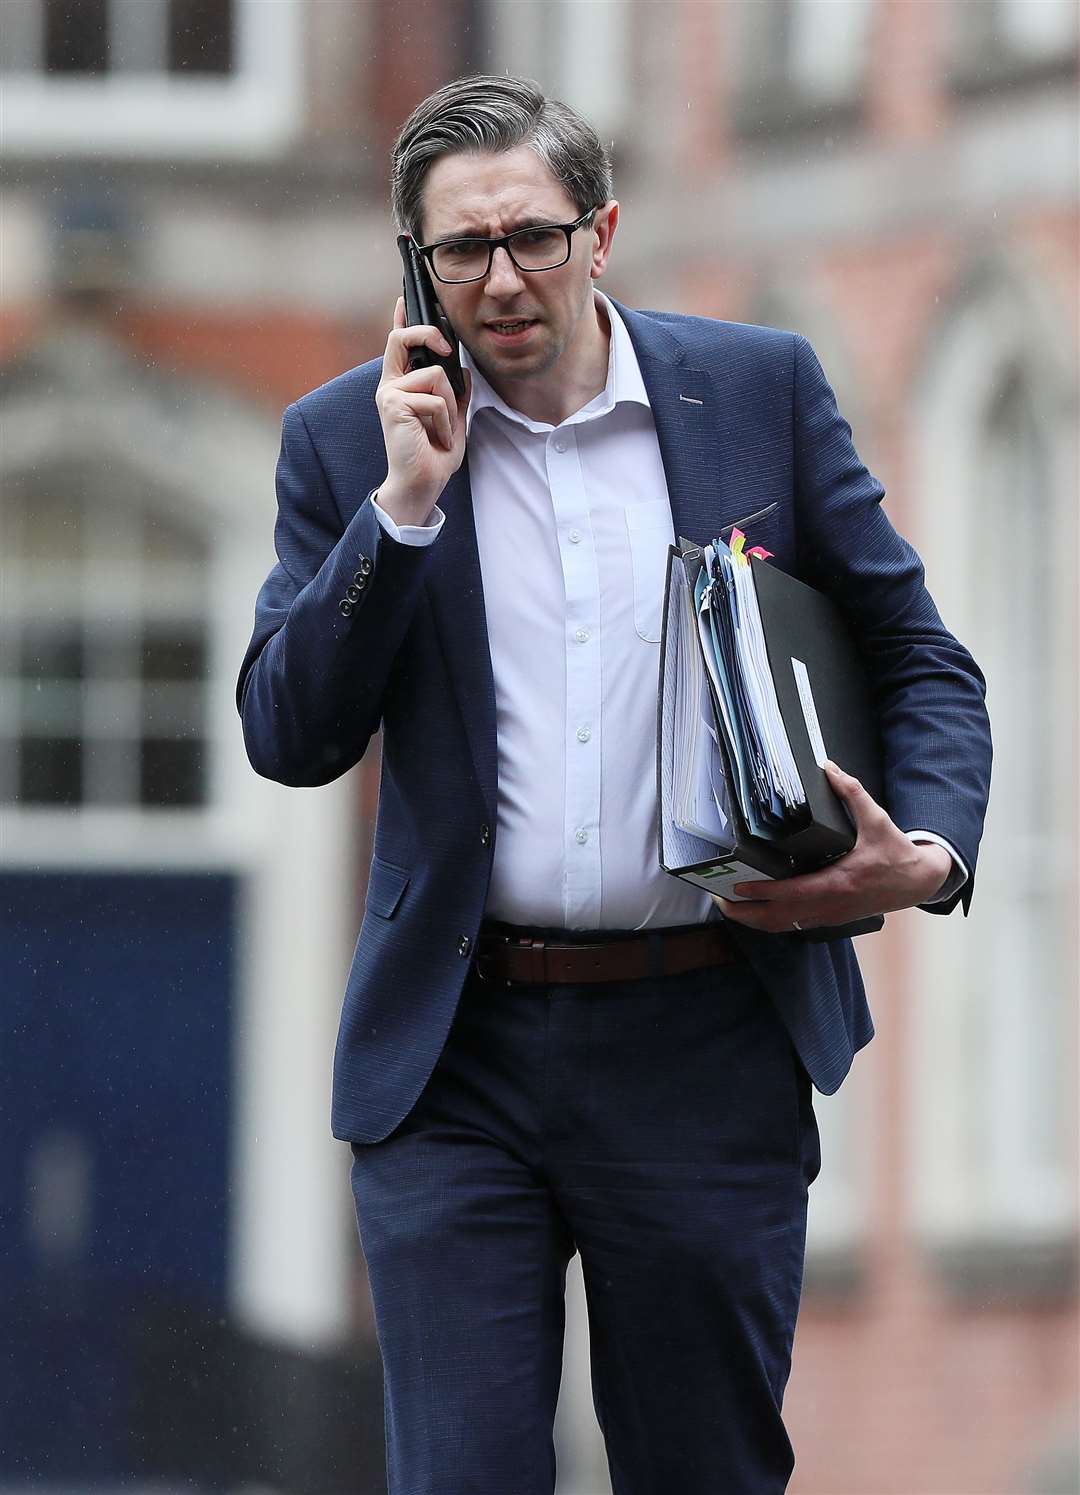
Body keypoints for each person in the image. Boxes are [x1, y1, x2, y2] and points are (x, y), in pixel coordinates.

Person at [237, 74, 991, 1495]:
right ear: (415, 263)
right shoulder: (347, 443)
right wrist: (401, 513)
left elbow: (919, 657)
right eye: (462, 249)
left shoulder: (756, 393)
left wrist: (931, 854)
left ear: (604, 231)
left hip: (706, 1035)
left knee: (700, 1470)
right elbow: (288, 734)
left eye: (535, 236)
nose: (503, 279)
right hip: (458, 1049)